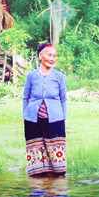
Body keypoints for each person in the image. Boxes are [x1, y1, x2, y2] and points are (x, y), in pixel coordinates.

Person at [22, 43, 68, 177]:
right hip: (33, 119)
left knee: (54, 149)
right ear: (41, 56)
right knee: (36, 147)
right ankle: (38, 179)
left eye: (54, 56)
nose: (52, 58)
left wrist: (63, 117)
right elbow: (26, 97)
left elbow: (63, 99)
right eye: (49, 55)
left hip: (55, 119)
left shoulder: (59, 76)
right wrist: (26, 114)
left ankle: (56, 178)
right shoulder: (32, 75)